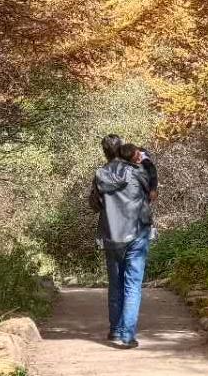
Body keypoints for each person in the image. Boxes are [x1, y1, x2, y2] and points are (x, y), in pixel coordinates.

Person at [89, 135, 152, 349]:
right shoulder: (137, 171)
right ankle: (127, 336)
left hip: (112, 234)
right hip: (137, 232)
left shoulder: (100, 175)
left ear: (105, 152)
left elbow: (94, 205)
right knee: (132, 285)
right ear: (122, 150)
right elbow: (150, 193)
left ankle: (115, 329)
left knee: (115, 284)